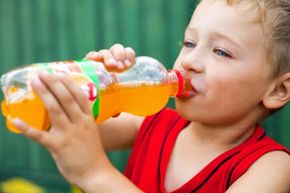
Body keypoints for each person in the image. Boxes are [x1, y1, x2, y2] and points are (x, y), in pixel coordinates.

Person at [12, 0, 290, 192]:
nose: (190, 60)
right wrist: (95, 85)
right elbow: (70, 128)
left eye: (221, 51)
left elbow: (90, 166)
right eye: (190, 42)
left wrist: (95, 175)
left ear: (278, 90)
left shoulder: (272, 168)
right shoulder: (150, 120)